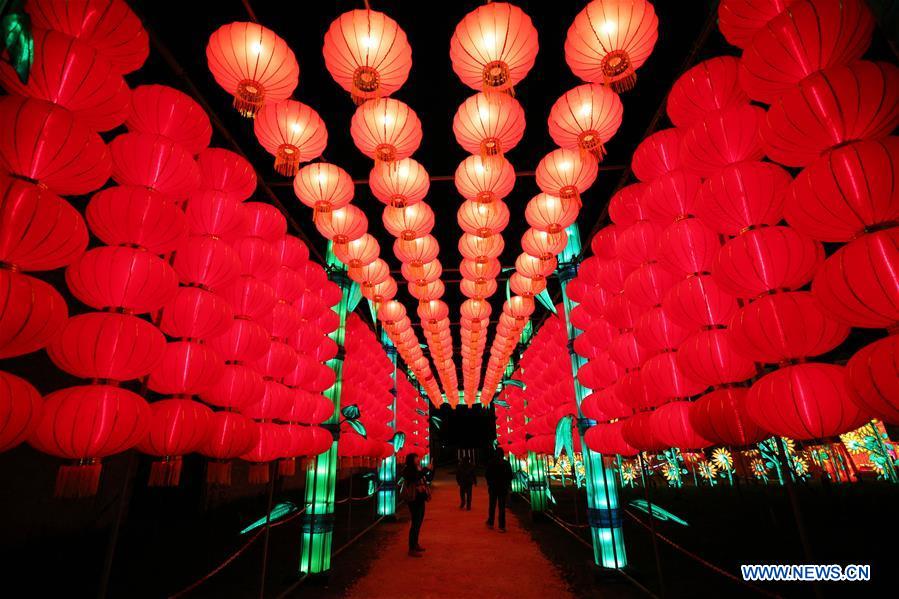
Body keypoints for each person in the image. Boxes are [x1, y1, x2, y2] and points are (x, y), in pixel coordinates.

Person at [402, 453, 430, 557]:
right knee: (415, 522)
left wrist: (430, 469)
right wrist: (426, 469)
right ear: (411, 460)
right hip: (413, 499)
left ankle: (415, 544)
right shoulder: (408, 470)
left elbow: (426, 478)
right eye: (416, 457)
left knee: (419, 521)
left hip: (420, 498)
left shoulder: (418, 468)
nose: (418, 459)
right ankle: (411, 548)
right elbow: (415, 477)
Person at [484, 447, 514, 532]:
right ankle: (502, 526)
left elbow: (487, 475)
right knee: (502, 507)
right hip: (502, 488)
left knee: (492, 506)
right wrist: (507, 484)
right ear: (502, 454)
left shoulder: (491, 463)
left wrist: (489, 483)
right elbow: (510, 476)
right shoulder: (506, 463)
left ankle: (490, 522)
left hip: (493, 487)